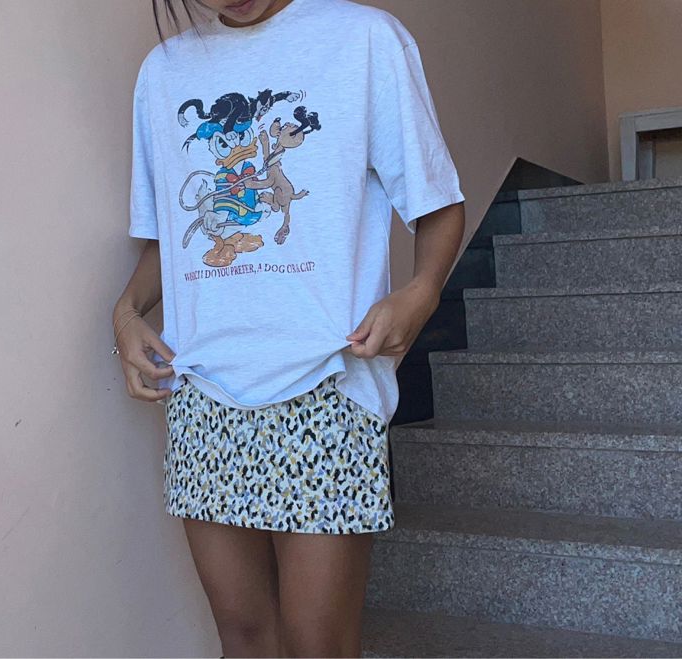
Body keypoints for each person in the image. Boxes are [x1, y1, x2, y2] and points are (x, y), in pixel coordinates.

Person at [111, 0, 466, 656]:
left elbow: (438, 203)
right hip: (204, 395)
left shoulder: (364, 41)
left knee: (317, 642)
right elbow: (170, 238)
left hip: (328, 387)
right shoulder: (162, 73)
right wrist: (126, 313)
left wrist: (420, 295)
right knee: (244, 636)